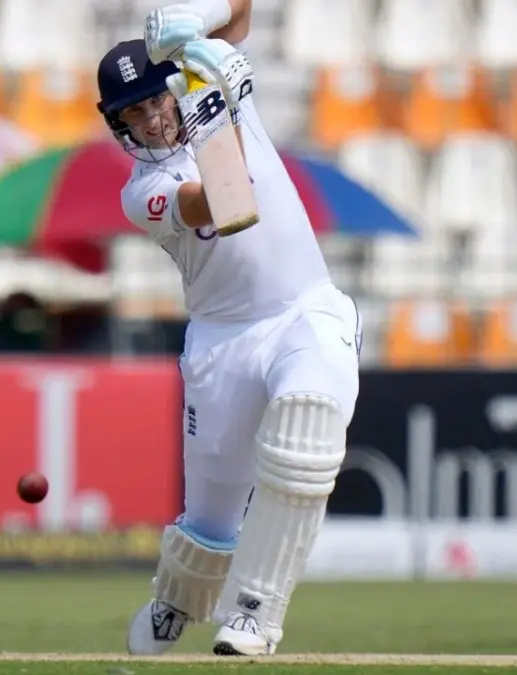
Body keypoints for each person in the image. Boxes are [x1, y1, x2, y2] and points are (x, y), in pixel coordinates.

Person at [96, 0, 363, 658]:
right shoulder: (144, 191)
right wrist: (224, 96)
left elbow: (239, 12)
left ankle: (254, 612)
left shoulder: (201, 77)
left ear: (169, 89)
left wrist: (196, 19)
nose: (151, 118)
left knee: (306, 430)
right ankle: (178, 599)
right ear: (119, 125)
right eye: (133, 113)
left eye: (154, 100)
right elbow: (227, 202)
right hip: (223, 341)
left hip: (305, 309)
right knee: (210, 519)